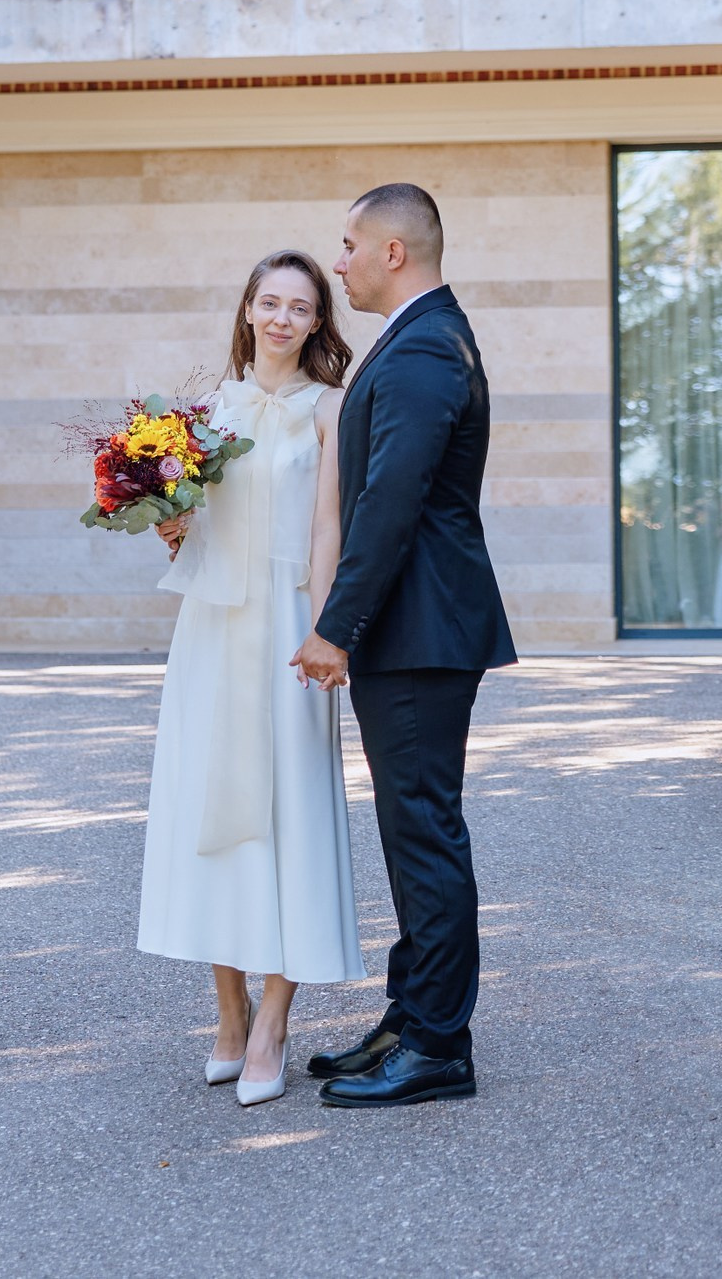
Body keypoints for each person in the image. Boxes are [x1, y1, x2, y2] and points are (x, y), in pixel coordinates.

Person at [293, 182, 514, 1108]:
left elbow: (390, 502)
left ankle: (438, 1045)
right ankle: (410, 1015)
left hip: (419, 631)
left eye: (348, 245)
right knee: (410, 827)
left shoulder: (425, 348)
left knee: (424, 831)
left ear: (395, 252)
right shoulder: (420, 337)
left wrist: (334, 625)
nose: (335, 262)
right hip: (417, 627)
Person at [136, 250, 364, 1107]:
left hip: (287, 627)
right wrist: (168, 523)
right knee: (215, 811)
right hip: (211, 627)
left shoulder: (329, 410)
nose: (281, 318)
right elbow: (190, 521)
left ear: (316, 323)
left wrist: (325, 629)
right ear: (246, 312)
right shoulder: (202, 414)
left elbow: (329, 524)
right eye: (268, 302)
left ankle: (275, 1020)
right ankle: (228, 1015)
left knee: (285, 814)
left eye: (299, 307)